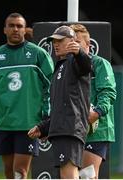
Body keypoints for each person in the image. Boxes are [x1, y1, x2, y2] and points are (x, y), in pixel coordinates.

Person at [0, 12, 54, 179]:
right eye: (11, 26)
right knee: (9, 173)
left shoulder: (38, 54)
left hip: (29, 124)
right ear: (5, 30)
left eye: (19, 26)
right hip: (5, 123)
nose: (15, 29)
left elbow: (52, 87)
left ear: (25, 30)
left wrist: (46, 118)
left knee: (20, 172)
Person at [28, 25, 92, 179]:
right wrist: (44, 127)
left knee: (68, 175)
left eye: (60, 40)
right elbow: (60, 108)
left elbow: (86, 65)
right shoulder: (60, 67)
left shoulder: (74, 62)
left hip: (70, 130)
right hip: (63, 130)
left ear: (72, 41)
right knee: (66, 175)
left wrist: (79, 52)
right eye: (53, 41)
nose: (55, 44)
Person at [69, 23, 117, 179]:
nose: (72, 44)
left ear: (88, 44)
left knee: (87, 175)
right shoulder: (66, 67)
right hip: (72, 128)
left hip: (95, 129)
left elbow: (108, 92)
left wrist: (96, 113)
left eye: (76, 41)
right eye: (70, 41)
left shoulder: (99, 63)